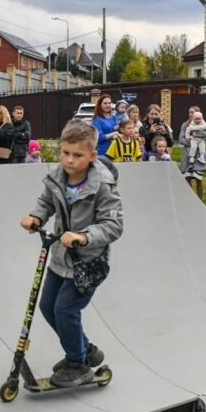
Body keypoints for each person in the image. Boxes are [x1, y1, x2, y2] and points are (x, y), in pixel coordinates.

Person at [19, 119, 124, 387]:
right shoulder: (57, 176)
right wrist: (36, 216)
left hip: (88, 261)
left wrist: (83, 236)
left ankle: (78, 364)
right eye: (66, 152)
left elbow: (113, 225)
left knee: (65, 310)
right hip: (59, 256)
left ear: (92, 155)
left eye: (77, 155)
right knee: (47, 307)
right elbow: (45, 201)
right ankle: (86, 350)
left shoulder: (103, 186)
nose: (69, 160)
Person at [182, 110, 206, 199]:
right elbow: (181, 139)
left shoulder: (204, 124)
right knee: (187, 178)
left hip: (199, 157)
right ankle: (189, 198)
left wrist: (200, 135)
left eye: (193, 112)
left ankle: (199, 199)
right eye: (190, 112)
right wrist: (190, 140)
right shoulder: (186, 125)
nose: (191, 113)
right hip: (188, 155)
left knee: (199, 179)